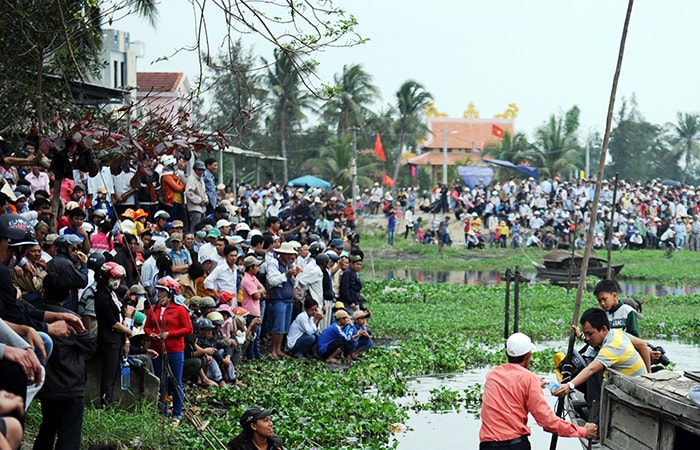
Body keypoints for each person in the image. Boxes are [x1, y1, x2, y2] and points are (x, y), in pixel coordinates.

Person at [479, 332, 597, 449]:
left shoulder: (492, 375)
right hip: (514, 445)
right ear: (528, 356)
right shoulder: (528, 379)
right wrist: (583, 431)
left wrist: (534, 383)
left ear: (506, 354)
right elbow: (548, 422)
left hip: (487, 445)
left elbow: (511, 383)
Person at [32, 273, 96, 450]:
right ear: (68, 294)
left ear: (43, 291)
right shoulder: (71, 318)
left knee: (47, 429)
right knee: (69, 435)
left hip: (47, 385)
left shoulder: (34, 316)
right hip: (70, 385)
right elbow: (90, 343)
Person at [553, 308, 650, 423]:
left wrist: (569, 385)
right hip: (630, 385)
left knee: (593, 374)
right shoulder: (616, 333)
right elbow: (642, 345)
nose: (587, 338)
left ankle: (594, 423)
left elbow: (591, 368)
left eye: (590, 334)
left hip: (633, 392)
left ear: (603, 329)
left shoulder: (613, 345)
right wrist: (649, 375)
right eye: (585, 334)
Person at [144, 276, 194, 426]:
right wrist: (150, 334)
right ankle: (163, 412)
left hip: (175, 350)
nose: (159, 294)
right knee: (162, 381)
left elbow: (188, 329)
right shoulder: (154, 308)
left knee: (176, 381)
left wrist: (170, 334)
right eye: (158, 291)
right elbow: (147, 326)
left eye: (162, 291)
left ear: (170, 293)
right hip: (157, 350)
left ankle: (177, 413)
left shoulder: (180, 309)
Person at [93, 262, 131, 407]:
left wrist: (126, 338)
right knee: (108, 375)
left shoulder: (113, 294)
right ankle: (106, 405)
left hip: (117, 339)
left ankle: (110, 402)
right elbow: (112, 322)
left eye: (119, 279)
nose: (116, 282)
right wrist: (128, 331)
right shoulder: (102, 296)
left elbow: (120, 318)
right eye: (114, 278)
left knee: (114, 373)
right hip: (109, 340)